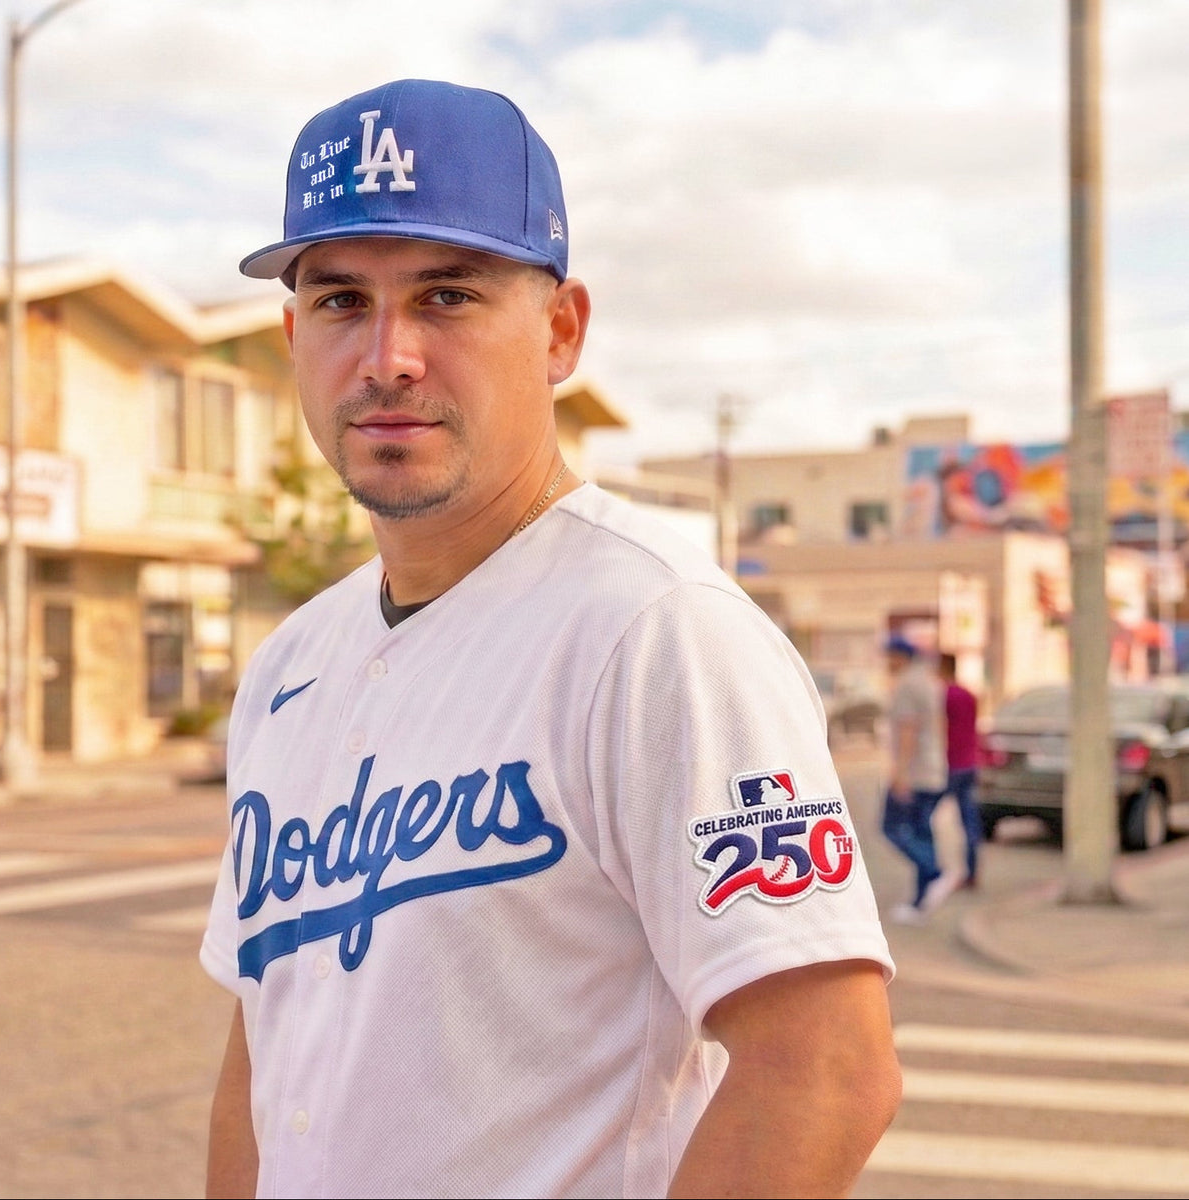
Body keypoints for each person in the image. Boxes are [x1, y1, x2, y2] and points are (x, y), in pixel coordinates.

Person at [201, 78, 901, 1199]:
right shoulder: (290, 662)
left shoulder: (657, 630)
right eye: (341, 302)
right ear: (293, 337)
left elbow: (822, 1070)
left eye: (447, 296)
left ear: (561, 330)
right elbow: (263, 1044)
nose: (389, 357)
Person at [880, 636, 963, 923]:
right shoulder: (929, 681)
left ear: (900, 656)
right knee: (921, 831)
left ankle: (936, 872)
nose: (886, 662)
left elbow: (908, 730)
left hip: (916, 773)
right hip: (934, 768)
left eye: (888, 655)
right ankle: (920, 902)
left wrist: (900, 773)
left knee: (892, 828)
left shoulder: (907, 684)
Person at [938, 652, 983, 887]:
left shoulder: (944, 695)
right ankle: (972, 872)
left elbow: (939, 730)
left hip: (951, 763)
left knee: (925, 817)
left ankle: (932, 870)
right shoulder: (969, 695)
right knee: (969, 821)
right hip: (970, 763)